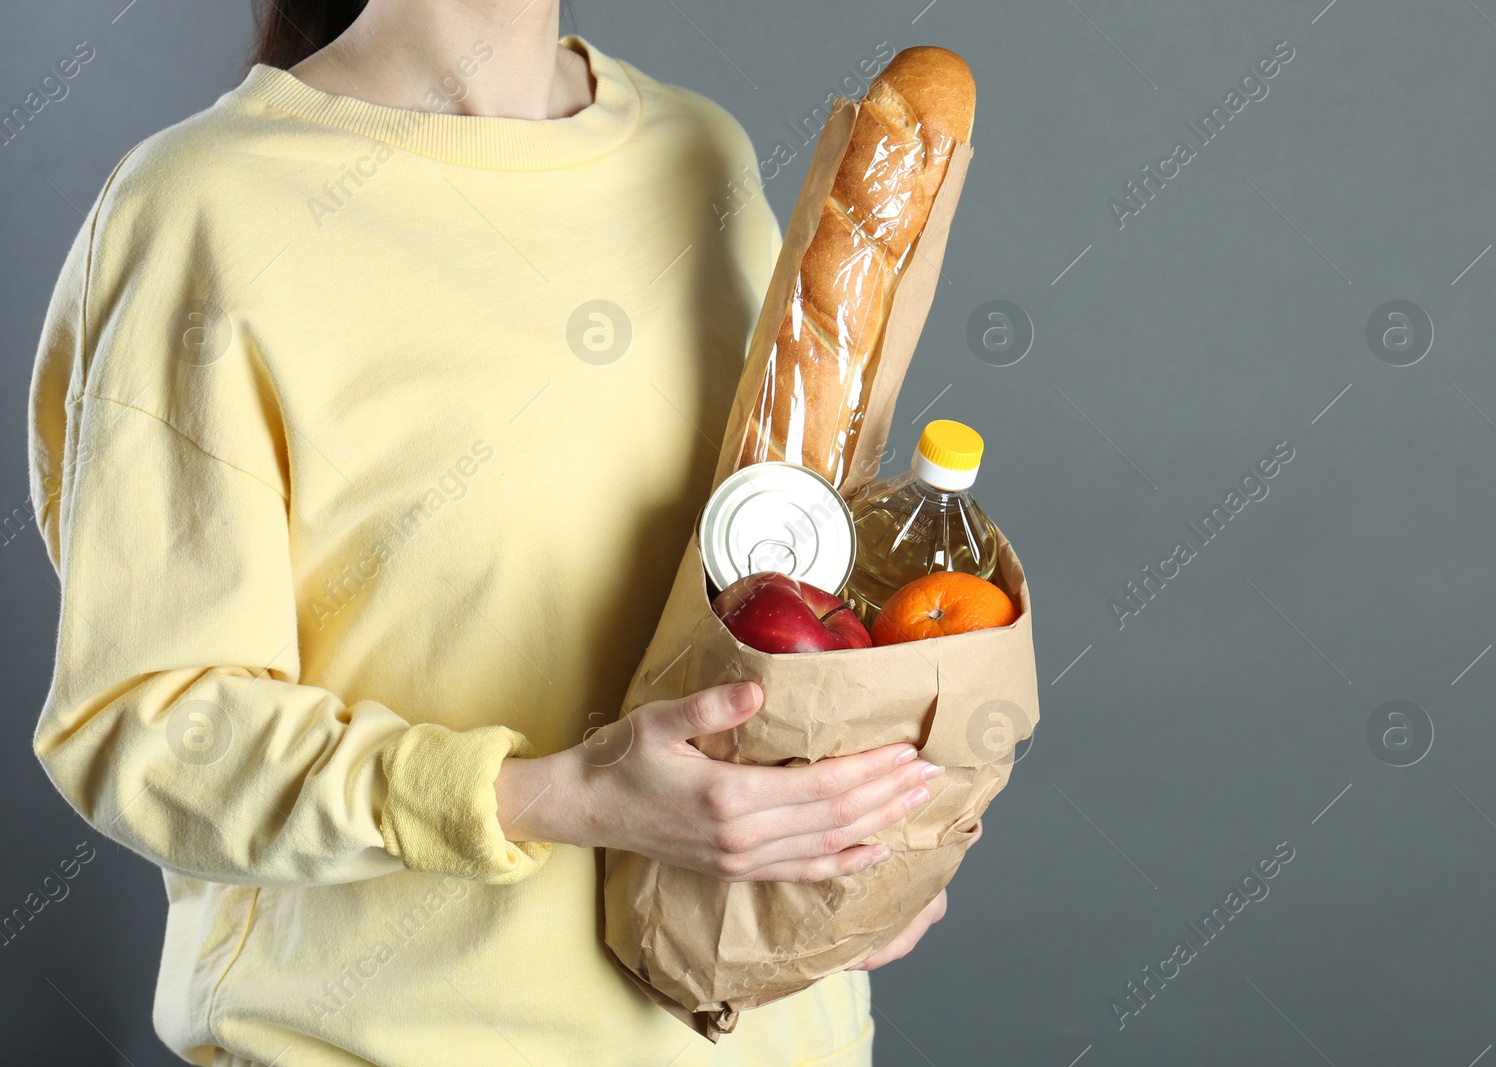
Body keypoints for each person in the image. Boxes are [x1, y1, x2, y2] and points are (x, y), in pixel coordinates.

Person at [26, 1, 965, 1063]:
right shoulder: (204, 208)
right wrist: (536, 795)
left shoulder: (699, 151)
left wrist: (850, 855)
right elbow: (145, 725)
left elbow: (773, 607)